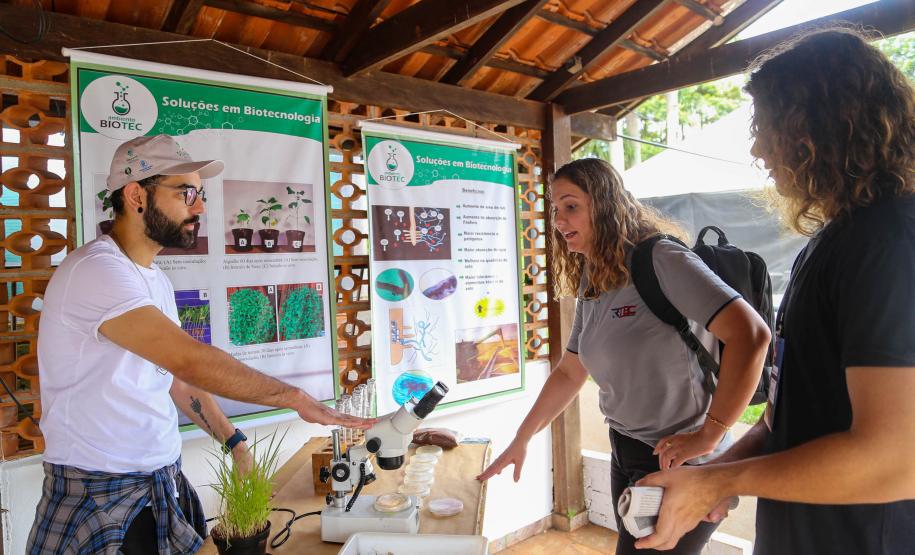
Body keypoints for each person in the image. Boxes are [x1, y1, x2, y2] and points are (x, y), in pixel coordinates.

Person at [633, 27, 915, 554]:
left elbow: (896, 458)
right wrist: (719, 470)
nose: (759, 149)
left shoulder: (891, 241)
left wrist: (718, 483)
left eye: (766, 127)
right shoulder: (838, 238)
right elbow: (790, 411)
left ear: (819, 128)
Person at [26, 134, 372, 554]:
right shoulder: (96, 271)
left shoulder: (154, 278)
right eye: (186, 192)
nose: (200, 207)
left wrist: (234, 442)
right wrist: (294, 397)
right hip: (100, 497)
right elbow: (190, 362)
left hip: (160, 484)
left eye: (200, 194)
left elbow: (177, 380)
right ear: (136, 195)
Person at [477, 157, 771, 554]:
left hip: (681, 461)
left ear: (605, 204)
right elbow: (570, 371)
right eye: (555, 209)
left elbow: (752, 336)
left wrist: (710, 434)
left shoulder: (661, 259)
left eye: (571, 206)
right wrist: (522, 438)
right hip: (627, 450)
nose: (559, 220)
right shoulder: (594, 276)